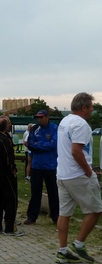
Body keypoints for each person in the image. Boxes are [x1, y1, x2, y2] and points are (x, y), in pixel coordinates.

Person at [55, 92, 102, 263]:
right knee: (96, 209)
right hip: (78, 175)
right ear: (84, 107)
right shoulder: (81, 124)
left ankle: (62, 251)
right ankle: (79, 244)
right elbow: (76, 151)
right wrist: (89, 172)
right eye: (91, 107)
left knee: (64, 214)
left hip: (62, 174)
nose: (92, 111)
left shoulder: (64, 121)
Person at [0, 116, 24, 237]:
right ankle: (9, 228)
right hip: (6, 174)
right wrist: (12, 169)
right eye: (7, 123)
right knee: (10, 200)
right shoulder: (5, 140)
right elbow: (9, 158)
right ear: (4, 126)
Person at [24, 110, 59, 225]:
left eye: (41, 117)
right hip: (37, 165)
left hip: (50, 165)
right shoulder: (34, 129)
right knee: (35, 192)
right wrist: (41, 145)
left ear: (47, 117)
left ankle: (56, 217)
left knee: (52, 191)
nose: (39, 120)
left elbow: (54, 144)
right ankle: (32, 216)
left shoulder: (54, 128)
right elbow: (30, 143)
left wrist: (39, 145)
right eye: (38, 117)